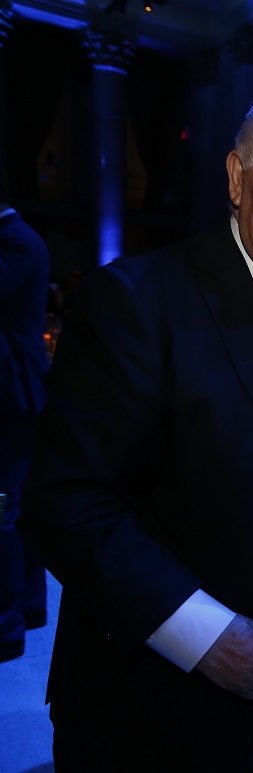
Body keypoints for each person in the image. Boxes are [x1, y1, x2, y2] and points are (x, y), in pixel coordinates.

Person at [19, 85, 253, 773]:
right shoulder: (138, 304)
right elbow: (68, 503)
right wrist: (207, 637)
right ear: (235, 176)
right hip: (177, 709)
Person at [0, 185, 51, 663]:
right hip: (16, 391)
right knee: (15, 507)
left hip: (14, 394)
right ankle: (29, 609)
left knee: (5, 510)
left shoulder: (16, 241)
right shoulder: (18, 239)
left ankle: (8, 625)